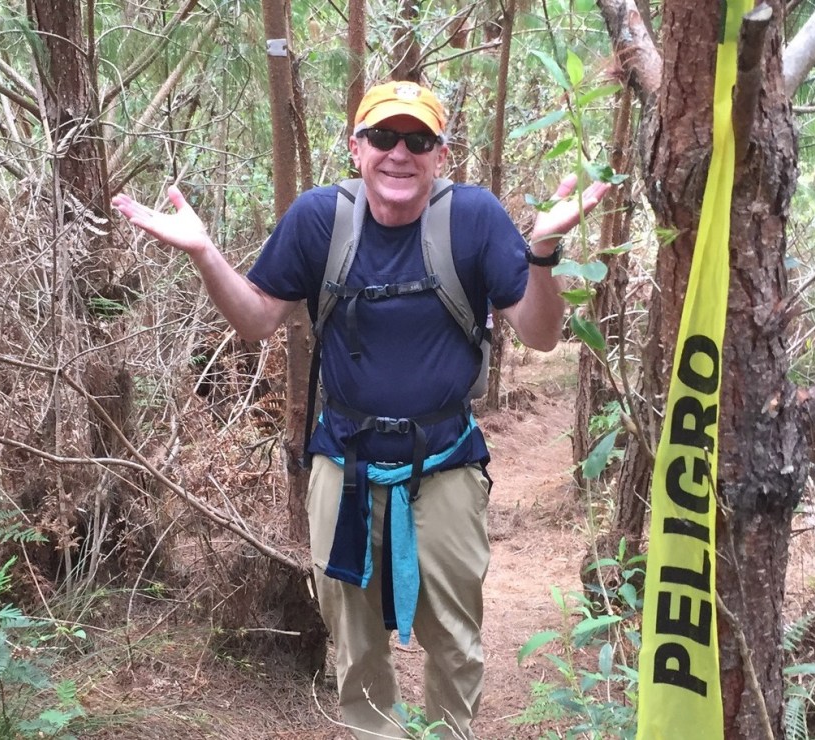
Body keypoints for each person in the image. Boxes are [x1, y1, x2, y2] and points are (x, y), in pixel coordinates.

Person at [113, 80, 610, 739]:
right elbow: (258, 319)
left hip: (447, 462)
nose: (398, 152)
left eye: (417, 139)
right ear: (356, 148)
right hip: (342, 462)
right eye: (382, 136)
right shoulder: (320, 220)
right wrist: (206, 254)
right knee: (353, 639)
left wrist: (543, 249)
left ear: (440, 155)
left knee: (455, 636)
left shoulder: (475, 219)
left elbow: (542, 333)